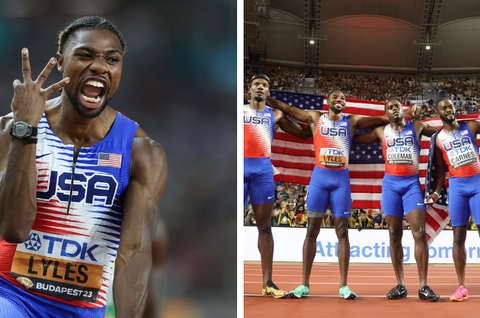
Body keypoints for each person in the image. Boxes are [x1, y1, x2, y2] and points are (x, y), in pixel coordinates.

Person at [0, 16, 167, 318]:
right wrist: (26, 128)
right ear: (61, 63)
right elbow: (14, 228)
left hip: (82, 308)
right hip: (11, 296)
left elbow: (134, 252)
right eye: (86, 55)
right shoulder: (12, 130)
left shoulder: (141, 152)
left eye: (112, 60)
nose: (100, 66)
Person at [267, 91, 415, 299]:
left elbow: (383, 118)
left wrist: (406, 112)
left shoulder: (352, 121)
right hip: (319, 178)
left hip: (341, 181)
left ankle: (344, 286)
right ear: (328, 102)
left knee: (342, 232)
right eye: (335, 98)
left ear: (345, 104)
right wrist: (269, 100)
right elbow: (290, 110)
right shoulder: (316, 118)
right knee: (311, 230)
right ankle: (304, 285)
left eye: (342, 99)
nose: (339, 100)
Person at [353, 99, 439, 301]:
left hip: (411, 185)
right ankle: (401, 284)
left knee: (418, 232)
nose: (394, 108)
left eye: (397, 106)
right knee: (394, 233)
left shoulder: (417, 126)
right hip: (390, 186)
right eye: (390, 107)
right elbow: (354, 135)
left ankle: (423, 286)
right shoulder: (380, 131)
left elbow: (442, 133)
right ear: (386, 113)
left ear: (404, 110)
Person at [244, 74, 311, 298]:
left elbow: (302, 134)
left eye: (264, 85)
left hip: (263, 171)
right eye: (256, 85)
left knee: (264, 226)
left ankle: (267, 282)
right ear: (249, 89)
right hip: (240, 168)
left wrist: (324, 125)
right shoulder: (240, 111)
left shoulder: (276, 115)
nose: (260, 88)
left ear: (268, 91)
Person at [426, 99, 480, 302]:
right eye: (444, 108)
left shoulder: (471, 126)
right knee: (458, 237)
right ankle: (462, 286)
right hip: (457, 188)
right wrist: (437, 192)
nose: (448, 110)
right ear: (438, 112)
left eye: (451, 107)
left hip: (477, 184)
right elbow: (441, 171)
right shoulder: (438, 139)